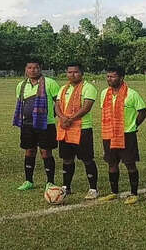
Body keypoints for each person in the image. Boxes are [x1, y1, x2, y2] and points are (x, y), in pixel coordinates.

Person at [98, 66, 146, 205]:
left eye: (113, 76)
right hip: (109, 134)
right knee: (112, 163)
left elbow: (143, 112)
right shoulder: (104, 94)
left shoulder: (132, 94)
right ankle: (114, 192)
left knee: (130, 164)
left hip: (126, 134)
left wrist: (133, 125)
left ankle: (134, 193)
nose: (109, 79)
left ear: (121, 77)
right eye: (108, 76)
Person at [13, 58, 60, 191]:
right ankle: (28, 180)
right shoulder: (21, 85)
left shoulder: (50, 83)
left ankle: (50, 182)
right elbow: (21, 103)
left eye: (35, 68)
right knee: (29, 151)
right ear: (26, 69)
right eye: (30, 68)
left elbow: (58, 103)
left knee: (46, 152)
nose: (32, 70)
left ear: (40, 69)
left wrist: (56, 116)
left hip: (46, 124)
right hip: (27, 124)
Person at [55, 63, 99, 199]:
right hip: (65, 129)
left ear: (82, 73)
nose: (72, 75)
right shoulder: (63, 88)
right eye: (69, 72)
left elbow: (86, 107)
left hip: (82, 128)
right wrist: (62, 118)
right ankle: (66, 187)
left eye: (75, 72)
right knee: (67, 159)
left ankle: (93, 189)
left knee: (87, 159)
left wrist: (70, 119)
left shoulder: (88, 87)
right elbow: (57, 105)